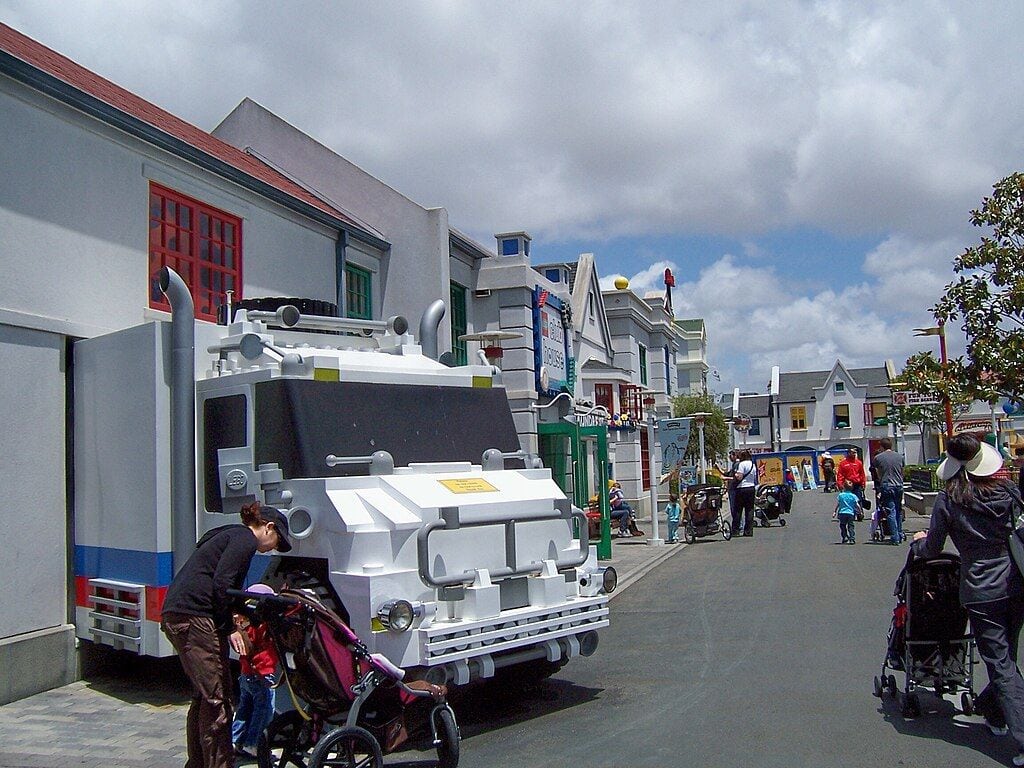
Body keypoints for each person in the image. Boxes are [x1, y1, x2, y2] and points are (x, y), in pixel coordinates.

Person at [911, 435, 1024, 763]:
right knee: (1005, 659)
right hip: (1016, 581)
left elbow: (933, 547)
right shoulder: (1009, 493)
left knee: (1000, 662)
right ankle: (994, 711)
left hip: (980, 588)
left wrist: (918, 544)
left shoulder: (949, 500)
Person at [161, 502, 292, 768]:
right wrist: (231, 628)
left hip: (180, 614)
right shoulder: (245, 541)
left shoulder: (229, 534)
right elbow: (222, 585)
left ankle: (198, 763)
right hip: (195, 618)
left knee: (204, 696)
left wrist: (249, 613)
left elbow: (225, 590)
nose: (273, 549)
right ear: (268, 527)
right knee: (217, 699)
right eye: (278, 541)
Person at [231, 584, 280, 761]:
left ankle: (235, 740)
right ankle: (253, 744)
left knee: (245, 707)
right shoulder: (262, 624)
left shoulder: (243, 623)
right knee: (265, 709)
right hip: (261, 672)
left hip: (245, 672)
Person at [873, 437, 906, 545]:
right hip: (898, 485)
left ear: (882, 447)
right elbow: (902, 471)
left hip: (887, 485)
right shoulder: (900, 457)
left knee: (890, 511)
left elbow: (878, 473)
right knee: (898, 510)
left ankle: (895, 537)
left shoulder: (878, 458)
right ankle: (900, 533)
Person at [732, 449, 757, 537]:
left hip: (742, 488)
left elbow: (739, 477)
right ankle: (748, 531)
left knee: (738, 510)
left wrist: (735, 475)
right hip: (751, 487)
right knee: (749, 509)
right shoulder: (753, 465)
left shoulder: (742, 464)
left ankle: (735, 530)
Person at [725, 450, 739, 527]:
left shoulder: (737, 464)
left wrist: (726, 478)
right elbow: (727, 474)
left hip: (734, 489)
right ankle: (737, 525)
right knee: (733, 508)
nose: (730, 457)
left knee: (735, 508)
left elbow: (735, 478)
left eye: (731, 455)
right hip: (732, 489)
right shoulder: (733, 465)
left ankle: (738, 526)